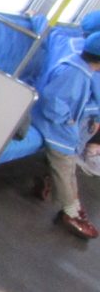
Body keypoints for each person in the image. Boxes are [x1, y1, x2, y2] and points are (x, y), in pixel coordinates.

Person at [31, 30, 100, 239]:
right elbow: (52, 100)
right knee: (65, 162)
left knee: (70, 156)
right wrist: (68, 120)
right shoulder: (75, 73)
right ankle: (70, 211)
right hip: (51, 124)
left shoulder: (81, 68)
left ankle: (70, 200)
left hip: (58, 123)